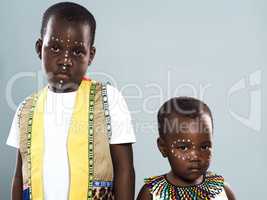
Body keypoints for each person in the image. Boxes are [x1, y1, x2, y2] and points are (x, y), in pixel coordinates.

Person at [6, 2, 136, 200]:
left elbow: (125, 169)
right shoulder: (26, 109)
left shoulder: (109, 99)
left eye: (77, 51)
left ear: (90, 55)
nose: (65, 60)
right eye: (55, 48)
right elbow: (19, 176)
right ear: (40, 48)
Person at [137, 97, 236, 200]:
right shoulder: (152, 193)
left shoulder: (222, 191)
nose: (195, 157)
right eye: (183, 148)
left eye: (204, 147)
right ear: (163, 147)